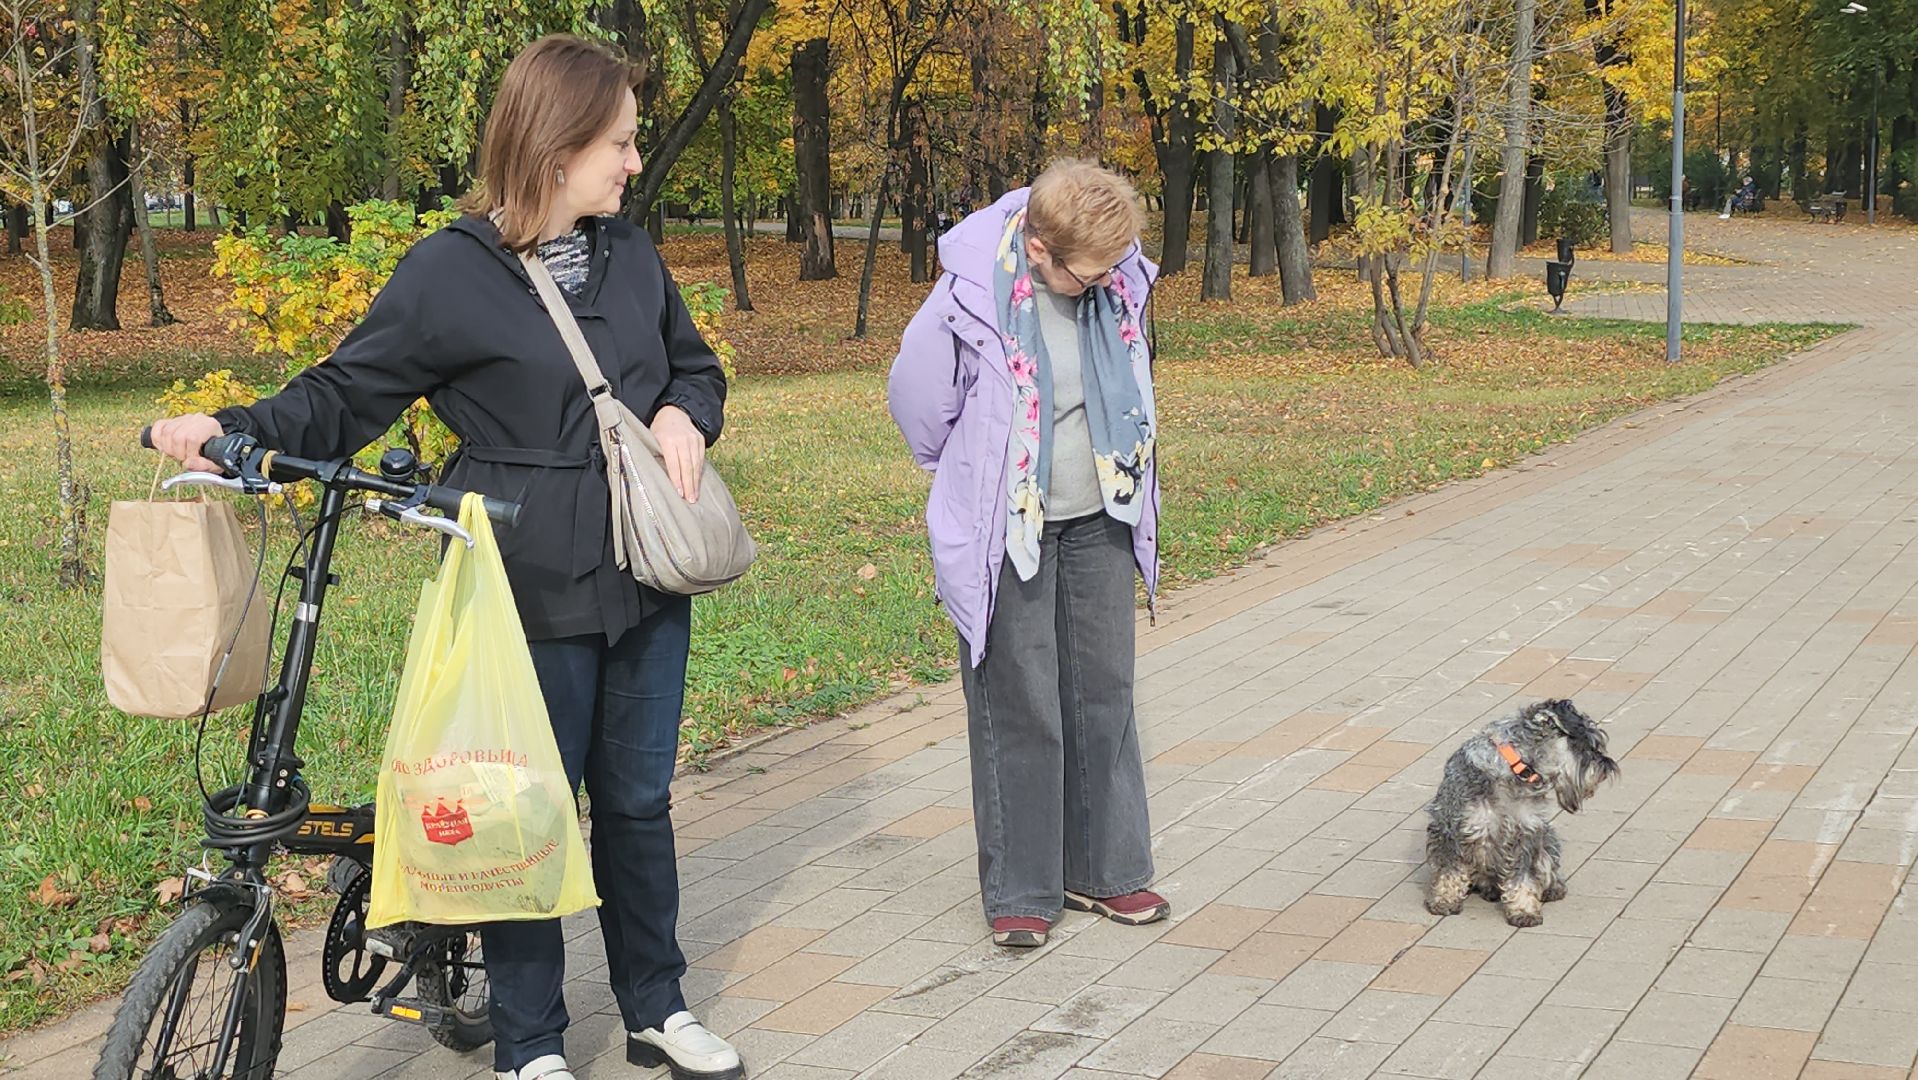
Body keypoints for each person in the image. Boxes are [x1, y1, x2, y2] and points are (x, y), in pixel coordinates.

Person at [147, 34, 743, 1080]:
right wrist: (226, 424)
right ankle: (532, 1042)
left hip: (645, 580)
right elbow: (343, 396)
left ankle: (657, 1005)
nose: (635, 163)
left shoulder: (633, 257)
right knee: (523, 813)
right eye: (621, 143)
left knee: (637, 805)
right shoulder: (449, 272)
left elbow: (693, 372)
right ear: (557, 151)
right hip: (518, 579)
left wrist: (688, 414)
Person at [887, 158, 1168, 949]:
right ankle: (1023, 888)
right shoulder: (970, 293)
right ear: (1040, 251)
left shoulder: (1117, 278)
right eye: (1093, 270)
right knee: (1021, 702)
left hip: (1100, 515)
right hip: (1008, 527)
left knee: (1104, 694)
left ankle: (1106, 871)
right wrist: (976, 476)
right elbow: (917, 399)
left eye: (1117, 264)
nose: (1111, 279)